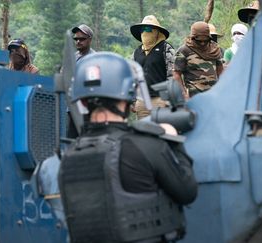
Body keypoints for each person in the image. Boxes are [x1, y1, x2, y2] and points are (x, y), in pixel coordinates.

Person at [59, 52, 198, 243]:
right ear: (126, 98)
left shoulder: (68, 158)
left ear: (82, 101)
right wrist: (174, 141)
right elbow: (187, 192)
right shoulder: (147, 146)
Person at [130, 15, 176, 119]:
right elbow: (133, 77)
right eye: (143, 29)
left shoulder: (166, 48)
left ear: (156, 31)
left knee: (161, 131)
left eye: (149, 28)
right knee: (143, 133)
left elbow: (172, 75)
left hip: (160, 100)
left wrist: (170, 98)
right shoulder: (137, 52)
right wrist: (132, 100)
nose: (145, 32)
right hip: (142, 101)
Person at [173, 21, 223, 98]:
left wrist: (223, 89)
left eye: (205, 40)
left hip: (213, 95)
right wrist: (183, 93)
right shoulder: (184, 50)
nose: (202, 43)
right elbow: (177, 74)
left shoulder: (214, 49)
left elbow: (220, 71)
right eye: (199, 41)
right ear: (193, 37)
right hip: (194, 96)